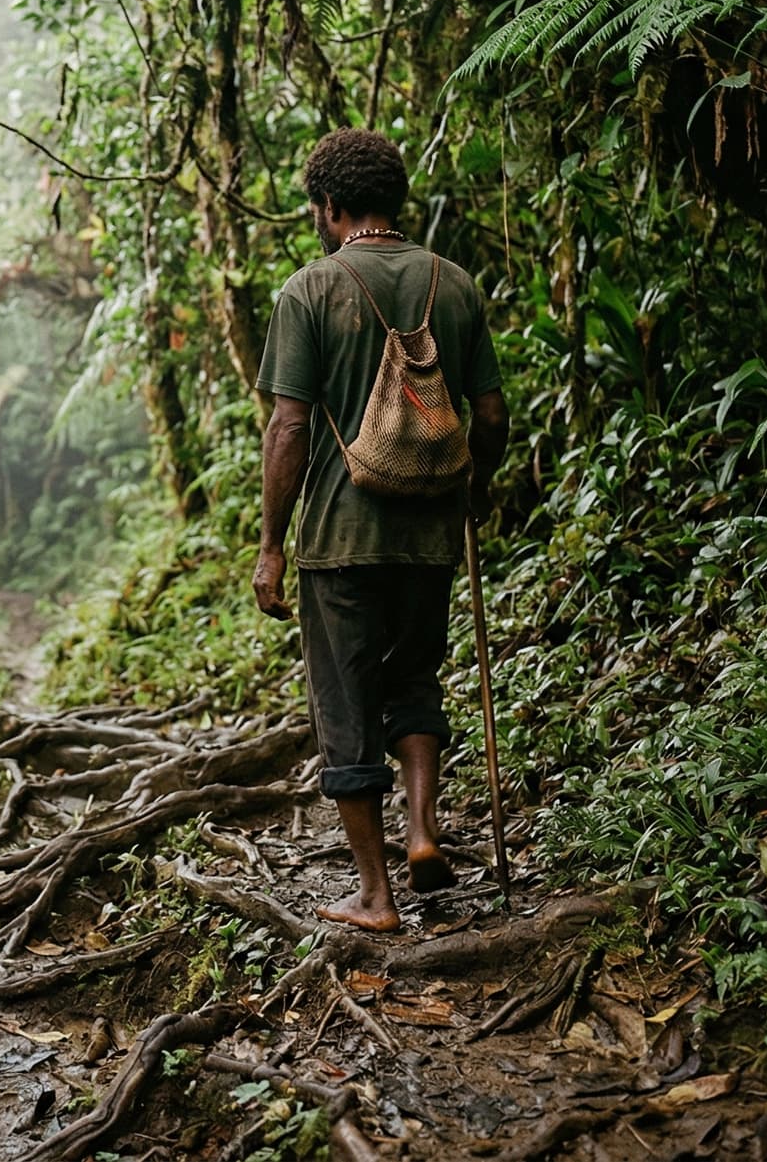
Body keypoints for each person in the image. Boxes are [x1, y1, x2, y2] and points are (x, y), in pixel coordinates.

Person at [251, 127, 508, 932]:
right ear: (397, 201)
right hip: (429, 537)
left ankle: (375, 894)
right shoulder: (454, 283)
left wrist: (270, 542)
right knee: (417, 679)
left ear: (329, 208)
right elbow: (490, 412)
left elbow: (288, 427)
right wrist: (478, 487)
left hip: (338, 539)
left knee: (345, 709)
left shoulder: (309, 291)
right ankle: (424, 831)